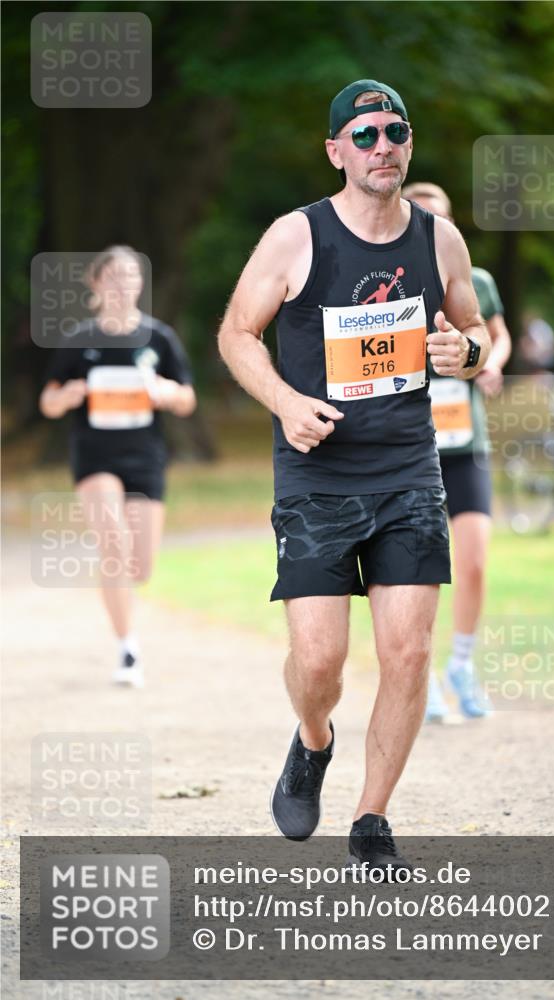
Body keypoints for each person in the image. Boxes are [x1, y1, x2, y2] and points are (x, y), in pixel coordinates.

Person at [218, 80, 490, 877]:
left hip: (409, 471)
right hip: (316, 476)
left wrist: (465, 354)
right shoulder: (296, 237)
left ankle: (371, 818)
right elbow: (236, 333)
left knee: (406, 655)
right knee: (320, 662)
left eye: (394, 131)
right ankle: (312, 741)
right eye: (364, 134)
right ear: (336, 150)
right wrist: (283, 401)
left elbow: (473, 332)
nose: (382, 146)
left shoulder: (440, 241)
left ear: (408, 143)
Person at [39, 245, 196, 687]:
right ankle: (128, 649)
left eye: (130, 276)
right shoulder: (80, 338)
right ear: (96, 284)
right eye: (113, 276)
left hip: (145, 458)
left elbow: (187, 399)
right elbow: (48, 401)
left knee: (139, 565)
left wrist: (166, 391)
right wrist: (67, 394)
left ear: (140, 285)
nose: (122, 284)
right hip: (95, 457)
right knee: (113, 543)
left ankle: (125, 618)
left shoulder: (159, 338)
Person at [402, 183, 512, 722]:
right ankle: (420, 680)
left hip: (465, 443)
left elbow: (497, 335)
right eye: (423, 216)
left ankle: (461, 666)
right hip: (409, 445)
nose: (434, 226)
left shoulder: (476, 280)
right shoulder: (392, 279)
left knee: (473, 561)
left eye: (441, 218)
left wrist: (489, 363)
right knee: (419, 569)